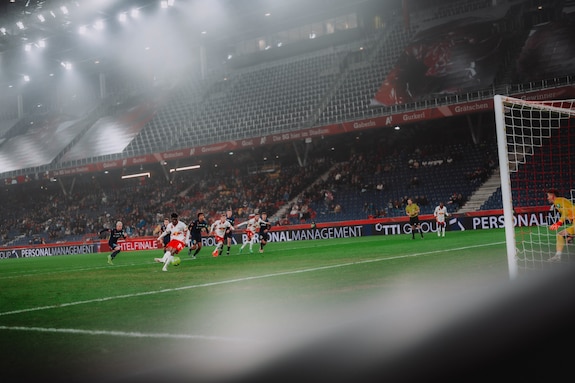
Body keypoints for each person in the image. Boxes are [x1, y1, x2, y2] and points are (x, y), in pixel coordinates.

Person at [546, 189, 575, 262]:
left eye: (548, 196)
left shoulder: (557, 201)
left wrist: (559, 223)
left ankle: (558, 256)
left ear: (552, 195)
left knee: (560, 235)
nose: (547, 198)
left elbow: (565, 211)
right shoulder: (560, 201)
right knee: (561, 235)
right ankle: (570, 238)